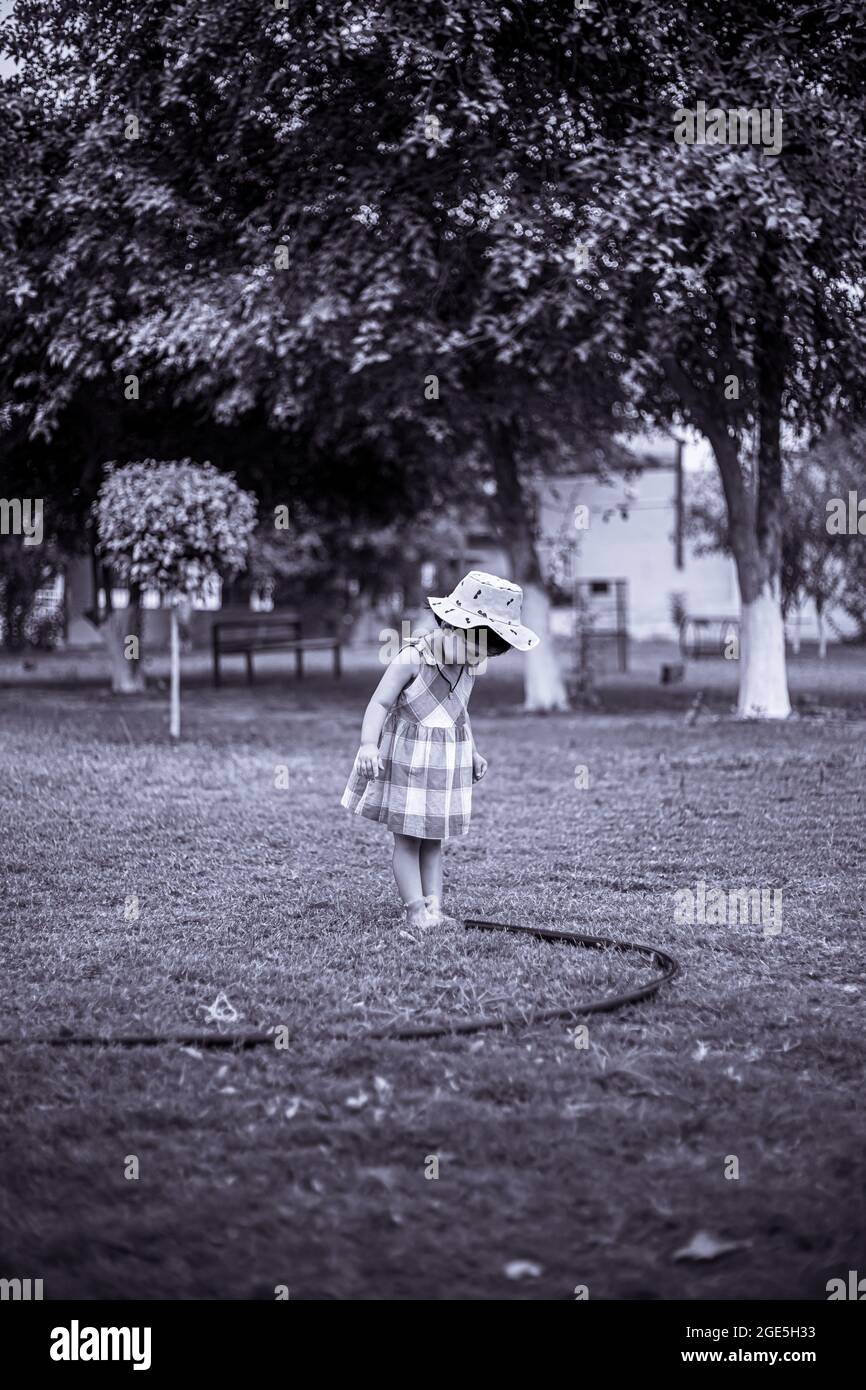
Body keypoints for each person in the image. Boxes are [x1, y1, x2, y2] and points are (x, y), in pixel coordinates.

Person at [341, 571, 540, 930]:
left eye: (483, 656)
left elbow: (458, 712)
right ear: (451, 626)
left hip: (445, 763)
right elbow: (380, 703)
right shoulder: (412, 658)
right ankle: (414, 909)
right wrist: (368, 744)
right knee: (407, 838)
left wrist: (474, 752)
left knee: (434, 839)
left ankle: (433, 909)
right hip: (409, 761)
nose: (476, 661)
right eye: (473, 649)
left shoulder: (467, 664)